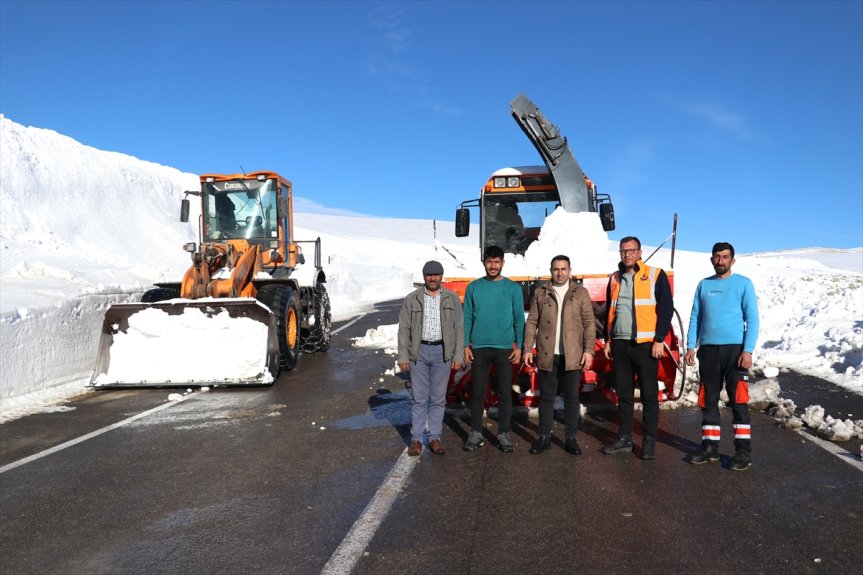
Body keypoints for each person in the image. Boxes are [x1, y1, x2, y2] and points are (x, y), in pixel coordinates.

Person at [684, 242, 759, 471]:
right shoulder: (704, 285)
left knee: (738, 401)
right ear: (711, 259)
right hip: (708, 351)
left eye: (725, 257)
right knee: (708, 400)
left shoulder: (743, 284)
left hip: (735, 351)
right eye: (717, 257)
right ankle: (710, 446)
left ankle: (742, 451)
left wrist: (748, 350)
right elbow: (695, 316)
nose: (720, 261)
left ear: (732, 260)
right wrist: (690, 346)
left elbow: (752, 319)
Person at [601, 236, 674, 460]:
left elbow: (666, 308)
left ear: (640, 252)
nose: (627, 255)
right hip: (620, 344)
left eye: (631, 250)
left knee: (649, 395)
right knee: (623, 395)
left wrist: (659, 339)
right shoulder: (614, 278)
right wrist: (608, 339)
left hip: (645, 345)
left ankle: (649, 441)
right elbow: (610, 310)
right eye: (623, 251)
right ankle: (624, 438)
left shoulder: (655, 275)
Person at [523, 255, 595, 455]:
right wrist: (527, 348)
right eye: (556, 269)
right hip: (548, 354)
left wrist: (589, 350)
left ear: (570, 271)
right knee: (546, 398)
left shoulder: (580, 293)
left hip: (572, 355)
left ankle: (571, 438)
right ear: (551, 271)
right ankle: (544, 438)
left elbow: (589, 323)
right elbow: (532, 322)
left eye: (563, 269)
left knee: (572, 398)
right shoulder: (541, 292)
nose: (560, 273)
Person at [397, 260, 464, 457]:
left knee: (437, 399)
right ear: (424, 276)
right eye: (429, 275)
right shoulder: (412, 299)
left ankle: (435, 438)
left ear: (441, 276)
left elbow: (459, 328)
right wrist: (403, 355)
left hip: (442, 353)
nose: (433, 278)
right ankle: (417, 440)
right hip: (418, 352)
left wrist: (457, 355)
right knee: (419, 399)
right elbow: (404, 329)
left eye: (436, 275)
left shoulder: (451, 298)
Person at [463, 245, 525, 452]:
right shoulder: (473, 288)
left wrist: (519, 347)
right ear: (484, 263)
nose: (493, 265)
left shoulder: (513, 288)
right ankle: (475, 432)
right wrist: (465, 345)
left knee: (505, 393)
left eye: (496, 262)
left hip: (505, 348)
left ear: (502, 263)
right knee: (478, 392)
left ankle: (503, 434)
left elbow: (519, 319)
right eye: (489, 261)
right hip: (479, 348)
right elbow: (467, 318)